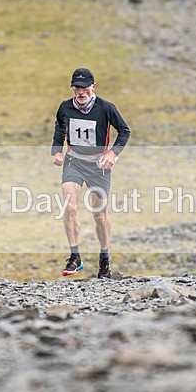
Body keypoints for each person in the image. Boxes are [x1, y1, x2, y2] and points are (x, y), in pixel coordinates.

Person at [52, 68, 131, 279]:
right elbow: (59, 128)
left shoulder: (106, 108)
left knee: (99, 215)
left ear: (93, 87)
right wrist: (57, 151)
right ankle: (75, 256)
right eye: (76, 88)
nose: (80, 92)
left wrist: (113, 153)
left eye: (84, 88)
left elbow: (124, 130)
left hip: (99, 167)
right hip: (74, 162)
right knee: (69, 207)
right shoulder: (65, 107)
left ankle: (104, 258)